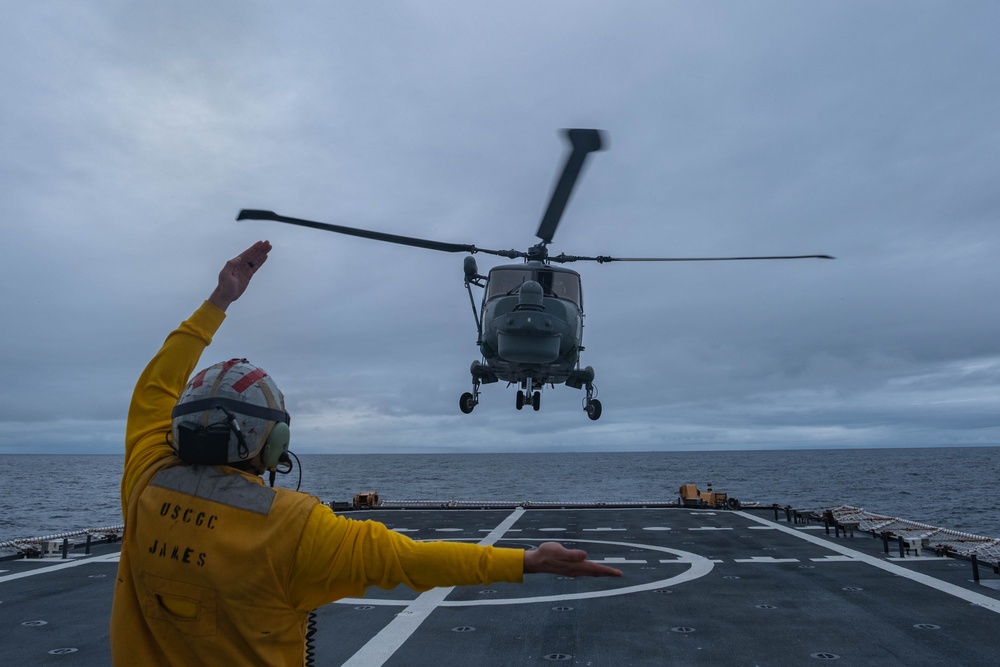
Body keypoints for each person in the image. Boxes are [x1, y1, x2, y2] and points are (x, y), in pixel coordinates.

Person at [109, 240, 622, 666]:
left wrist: (218, 302)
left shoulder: (145, 477)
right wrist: (527, 562)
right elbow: (412, 559)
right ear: (275, 446)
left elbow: (155, 386)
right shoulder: (294, 527)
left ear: (179, 424)